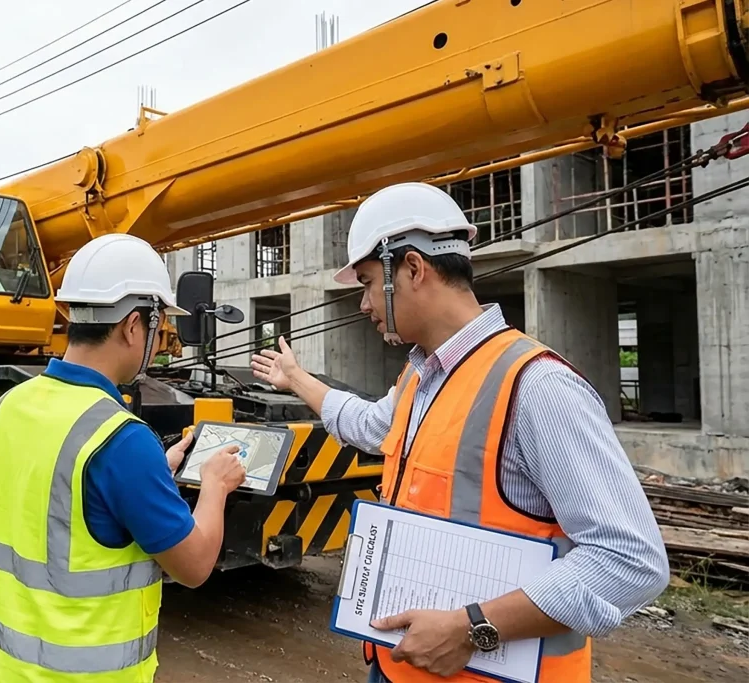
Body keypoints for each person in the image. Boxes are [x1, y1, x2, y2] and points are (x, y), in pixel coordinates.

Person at [250, 182, 669, 683]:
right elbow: (367, 425)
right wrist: (294, 378)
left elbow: (630, 560)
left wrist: (474, 629)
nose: (363, 303)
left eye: (364, 282)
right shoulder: (419, 378)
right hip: (399, 667)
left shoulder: (537, 386)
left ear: (411, 268)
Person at [0, 233, 248, 682]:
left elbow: (56, 503)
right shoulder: (121, 441)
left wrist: (157, 471)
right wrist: (214, 486)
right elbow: (194, 566)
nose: (159, 345)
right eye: (159, 329)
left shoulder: (5, 409)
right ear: (133, 325)